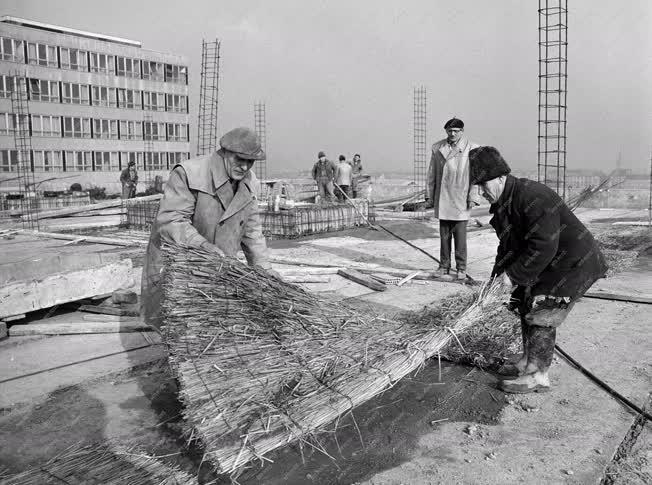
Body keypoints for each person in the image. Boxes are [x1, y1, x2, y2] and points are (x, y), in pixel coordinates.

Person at [468, 146, 608, 394]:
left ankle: (538, 375)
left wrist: (512, 277)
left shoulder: (532, 197)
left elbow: (543, 246)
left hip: (573, 263)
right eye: (476, 187)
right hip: (551, 260)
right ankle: (526, 362)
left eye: (483, 185)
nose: (480, 193)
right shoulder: (504, 203)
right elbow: (508, 247)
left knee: (543, 309)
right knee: (523, 300)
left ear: (501, 177)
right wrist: (495, 281)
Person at [141, 127, 277, 329]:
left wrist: (265, 273)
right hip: (179, 262)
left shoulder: (249, 182)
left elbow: (252, 232)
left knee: (208, 324)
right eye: (240, 159)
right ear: (225, 152)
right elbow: (171, 221)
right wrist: (204, 246)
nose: (245, 167)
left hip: (217, 266)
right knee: (175, 325)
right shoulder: (189, 173)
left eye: (250, 162)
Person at [425, 118, 481, 280]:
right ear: (446, 131)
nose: (453, 133)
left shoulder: (472, 149)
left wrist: (473, 196)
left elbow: (476, 176)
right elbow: (431, 173)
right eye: (450, 131)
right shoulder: (438, 148)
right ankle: (444, 266)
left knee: (460, 236)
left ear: (462, 131)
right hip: (443, 197)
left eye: (456, 131)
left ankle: (461, 267)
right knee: (444, 236)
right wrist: (429, 195)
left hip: (461, 197)